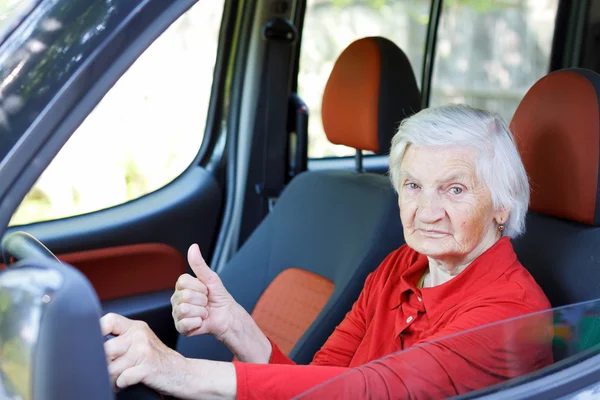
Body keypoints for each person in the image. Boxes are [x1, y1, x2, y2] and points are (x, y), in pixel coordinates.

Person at [101, 104, 553, 399]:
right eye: (413, 185)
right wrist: (237, 327)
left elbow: (371, 391)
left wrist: (177, 371)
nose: (427, 211)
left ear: (501, 206)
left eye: (454, 189)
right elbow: (320, 383)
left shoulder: (511, 311)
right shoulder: (402, 266)